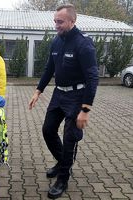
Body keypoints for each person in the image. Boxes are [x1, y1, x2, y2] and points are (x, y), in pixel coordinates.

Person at [28, 4, 98, 199]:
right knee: (48, 130)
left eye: (60, 21)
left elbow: (93, 78)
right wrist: (38, 91)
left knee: (70, 137)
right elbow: (49, 69)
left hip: (77, 97)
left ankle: (63, 178)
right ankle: (62, 162)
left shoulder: (84, 44)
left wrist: (85, 109)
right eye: (55, 21)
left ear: (72, 21)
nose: (56, 25)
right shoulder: (56, 41)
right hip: (59, 94)